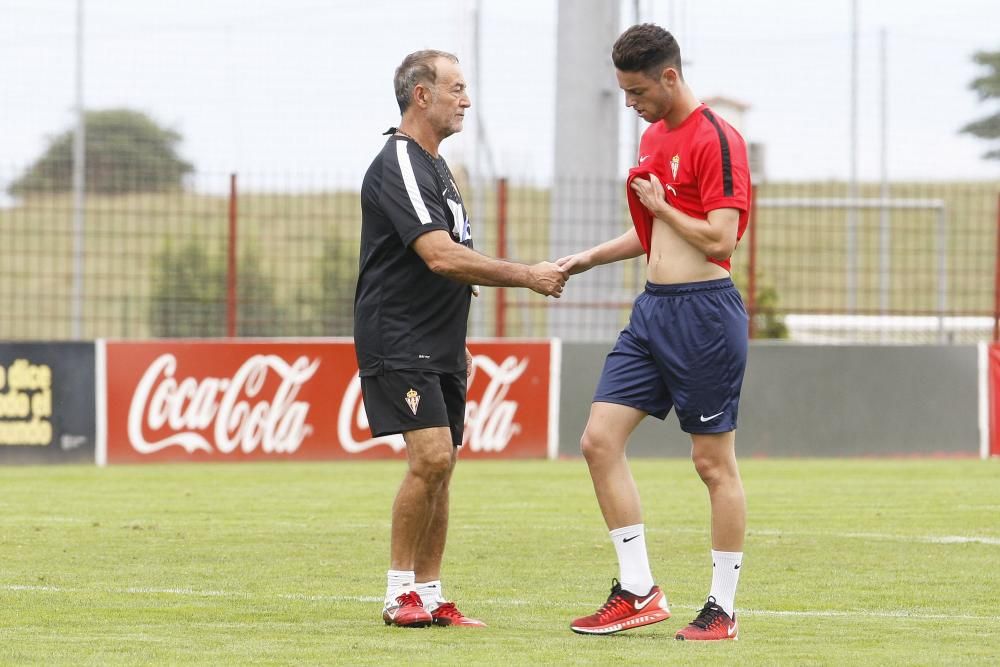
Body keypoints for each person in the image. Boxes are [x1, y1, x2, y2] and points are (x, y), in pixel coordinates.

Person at [355, 49, 568, 629]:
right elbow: (440, 256)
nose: (465, 100)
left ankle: (430, 592)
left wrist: (459, 341)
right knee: (430, 457)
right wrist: (527, 274)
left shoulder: (437, 166)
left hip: (440, 341)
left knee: (444, 465)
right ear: (421, 94)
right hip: (398, 337)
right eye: (456, 88)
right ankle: (399, 592)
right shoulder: (398, 160)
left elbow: (450, 269)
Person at [558, 24, 751, 641]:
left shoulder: (718, 138)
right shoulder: (651, 135)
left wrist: (663, 206)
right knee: (598, 441)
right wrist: (583, 260)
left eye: (637, 90)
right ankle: (639, 589)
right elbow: (652, 236)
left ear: (669, 76)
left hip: (704, 313)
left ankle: (721, 608)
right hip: (653, 312)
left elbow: (720, 239)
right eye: (622, 91)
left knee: (711, 463)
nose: (630, 102)